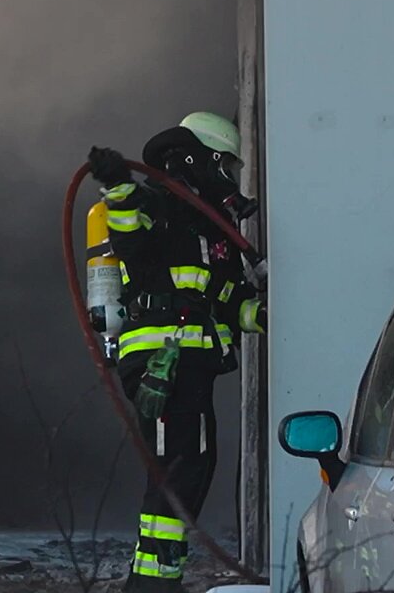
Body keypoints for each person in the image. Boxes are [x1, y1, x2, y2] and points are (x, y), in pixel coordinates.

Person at [88, 111, 266, 592]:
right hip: (162, 361)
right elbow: (130, 238)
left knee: (192, 465)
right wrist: (118, 187)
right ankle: (153, 584)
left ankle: (156, 578)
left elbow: (222, 297)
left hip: (190, 361)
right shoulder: (158, 201)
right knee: (179, 470)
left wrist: (262, 314)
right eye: (226, 165)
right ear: (201, 158)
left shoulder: (208, 226)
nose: (230, 177)